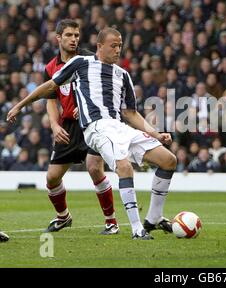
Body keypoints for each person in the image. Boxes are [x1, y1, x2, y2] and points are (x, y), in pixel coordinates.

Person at [7, 28, 177, 240]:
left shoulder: (123, 75)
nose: (118, 50)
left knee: (169, 160)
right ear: (99, 46)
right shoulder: (81, 64)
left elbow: (130, 114)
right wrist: (20, 105)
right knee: (122, 166)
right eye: (113, 45)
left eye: (120, 46)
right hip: (96, 128)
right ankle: (136, 229)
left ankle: (153, 218)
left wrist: (156, 134)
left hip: (119, 127)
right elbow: (51, 86)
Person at [42, 19, 118, 235]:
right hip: (68, 126)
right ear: (58, 38)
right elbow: (50, 100)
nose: (74, 39)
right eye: (69, 35)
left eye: (76, 35)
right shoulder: (50, 67)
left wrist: (87, 106)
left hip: (92, 122)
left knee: (94, 168)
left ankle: (111, 222)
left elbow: (105, 85)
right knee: (52, 178)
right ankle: (63, 217)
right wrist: (55, 126)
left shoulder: (89, 59)